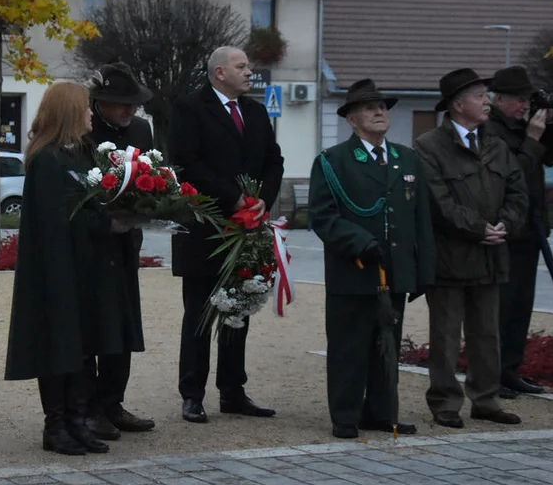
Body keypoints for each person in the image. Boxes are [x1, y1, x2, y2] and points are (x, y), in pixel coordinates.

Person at [5, 82, 129, 455]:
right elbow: (60, 218)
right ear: (69, 112)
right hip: (56, 270)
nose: (91, 113)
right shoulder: (47, 159)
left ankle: (77, 420)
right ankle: (55, 425)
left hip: (82, 268)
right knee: (58, 347)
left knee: (80, 348)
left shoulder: (77, 155)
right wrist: (107, 225)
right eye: (85, 108)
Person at [308, 79, 436, 439]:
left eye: (382, 106)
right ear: (351, 119)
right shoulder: (334, 161)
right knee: (349, 348)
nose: (380, 112)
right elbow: (322, 216)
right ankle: (345, 415)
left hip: (394, 271)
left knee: (386, 346)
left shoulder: (405, 158)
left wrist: (423, 272)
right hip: (354, 271)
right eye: (369, 107)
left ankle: (380, 412)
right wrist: (358, 241)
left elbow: (420, 218)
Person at [168, 46, 284, 423]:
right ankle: (192, 394)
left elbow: (273, 160)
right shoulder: (190, 108)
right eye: (241, 66)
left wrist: (263, 200)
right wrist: (231, 197)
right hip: (206, 228)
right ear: (220, 72)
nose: (250, 72)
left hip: (247, 228)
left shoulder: (254, 111)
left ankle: (233, 391)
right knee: (199, 314)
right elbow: (186, 162)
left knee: (239, 310)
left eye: (248, 65)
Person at [414, 68, 528, 429]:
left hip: (491, 255)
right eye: (480, 96)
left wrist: (506, 225)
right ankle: (445, 401)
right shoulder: (429, 146)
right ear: (458, 104)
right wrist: (479, 228)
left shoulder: (496, 145)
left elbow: (517, 192)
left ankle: (486, 399)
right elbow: (438, 203)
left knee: (487, 333)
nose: (487, 102)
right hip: (450, 258)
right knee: (445, 335)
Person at [82, 62, 155, 441]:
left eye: (133, 104)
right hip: (91, 246)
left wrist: (149, 207)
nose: (130, 111)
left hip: (127, 242)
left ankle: (113, 401)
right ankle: (90, 408)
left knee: (123, 327)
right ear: (100, 103)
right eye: (121, 104)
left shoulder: (141, 130)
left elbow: (156, 175)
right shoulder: (84, 131)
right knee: (96, 327)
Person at [484, 66, 553, 398]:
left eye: (528, 100)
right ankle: (493, 374)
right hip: (505, 231)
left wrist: (550, 128)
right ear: (499, 99)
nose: (523, 106)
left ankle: (511, 370)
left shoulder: (521, 128)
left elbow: (550, 159)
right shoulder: (491, 132)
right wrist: (531, 138)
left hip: (529, 230)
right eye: (519, 99)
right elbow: (512, 174)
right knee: (501, 308)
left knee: (521, 306)